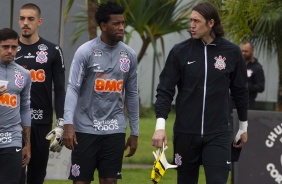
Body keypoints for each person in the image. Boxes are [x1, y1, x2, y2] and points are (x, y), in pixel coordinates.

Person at [151, 2, 249, 184]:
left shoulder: (232, 52)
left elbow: (240, 92)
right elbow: (165, 90)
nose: (192, 26)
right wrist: (159, 127)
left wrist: (243, 128)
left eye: (197, 21)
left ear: (211, 23)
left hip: (218, 132)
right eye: (191, 21)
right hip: (185, 133)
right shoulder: (179, 52)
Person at [63, 1, 139, 184]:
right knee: (80, 181)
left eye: (123, 23)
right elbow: (73, 87)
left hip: (115, 129)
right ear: (103, 26)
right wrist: (68, 124)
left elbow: (132, 94)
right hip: (85, 128)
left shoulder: (129, 55)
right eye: (116, 24)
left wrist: (135, 132)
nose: (121, 27)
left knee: (109, 181)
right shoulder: (85, 52)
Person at [15, 3, 66, 184]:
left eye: (30, 19)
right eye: (22, 18)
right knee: (15, 177)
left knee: (36, 177)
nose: (25, 23)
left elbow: (60, 90)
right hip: (14, 124)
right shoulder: (9, 50)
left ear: (40, 22)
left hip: (42, 123)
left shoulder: (53, 51)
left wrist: (61, 123)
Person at [0, 28, 32, 183]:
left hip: (12, 139)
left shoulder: (24, 74)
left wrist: (27, 144)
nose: (10, 51)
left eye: (14, 47)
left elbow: (25, 108)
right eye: (5, 47)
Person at [241, 41, 265, 109]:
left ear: (252, 51)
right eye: (242, 51)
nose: (243, 53)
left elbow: (260, 87)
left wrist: (245, 85)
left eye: (246, 51)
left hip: (247, 103)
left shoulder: (257, 68)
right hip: (233, 101)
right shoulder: (239, 64)